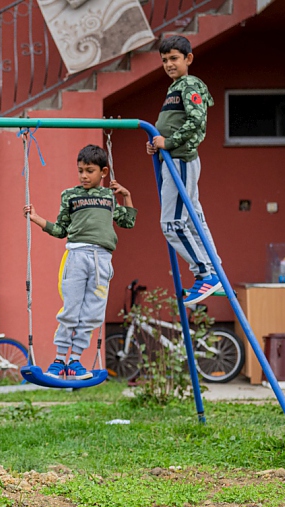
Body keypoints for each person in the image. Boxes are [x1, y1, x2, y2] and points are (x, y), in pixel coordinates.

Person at [25, 144, 136, 379]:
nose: (84, 176)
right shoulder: (70, 195)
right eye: (80, 171)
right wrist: (37, 219)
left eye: (90, 170)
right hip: (76, 256)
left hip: (102, 260)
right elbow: (60, 230)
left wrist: (126, 196)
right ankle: (58, 361)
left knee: (93, 313)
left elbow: (128, 222)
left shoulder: (109, 196)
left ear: (103, 172)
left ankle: (75, 361)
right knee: (71, 309)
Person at [146, 35, 221, 305]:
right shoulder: (175, 87)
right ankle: (214, 272)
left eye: (174, 58)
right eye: (164, 60)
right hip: (173, 158)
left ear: (188, 59)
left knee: (172, 224)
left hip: (180, 159)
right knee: (193, 219)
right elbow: (173, 122)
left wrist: (170, 142)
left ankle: (205, 274)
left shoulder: (190, 83)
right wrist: (157, 144)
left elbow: (197, 121)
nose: (168, 64)